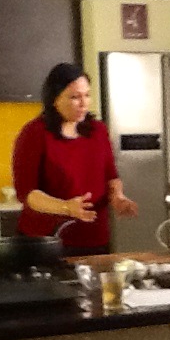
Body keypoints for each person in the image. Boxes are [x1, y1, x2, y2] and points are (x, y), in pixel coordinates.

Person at [13, 62, 138, 256]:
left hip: (94, 239)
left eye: (87, 95)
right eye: (74, 97)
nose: (84, 103)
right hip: (47, 241)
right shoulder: (34, 133)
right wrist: (66, 208)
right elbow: (27, 194)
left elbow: (110, 175)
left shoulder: (98, 130)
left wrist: (118, 198)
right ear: (54, 99)